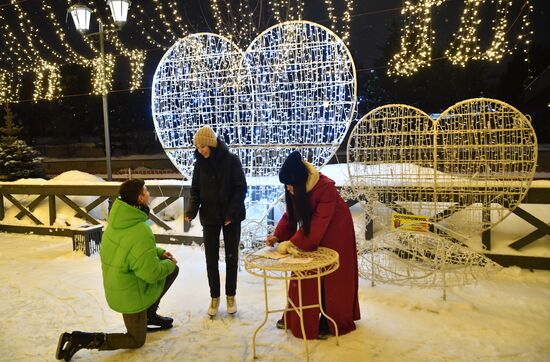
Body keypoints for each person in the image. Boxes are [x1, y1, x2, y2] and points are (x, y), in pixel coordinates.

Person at [55, 179, 179, 361]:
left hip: (118, 286)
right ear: (140, 198)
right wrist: (170, 263)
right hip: (131, 295)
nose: (149, 193)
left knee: (170, 270)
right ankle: (80, 339)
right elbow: (151, 274)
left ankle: (149, 317)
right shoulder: (139, 229)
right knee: (136, 340)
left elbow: (129, 251)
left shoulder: (118, 220)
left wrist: (159, 253)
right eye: (145, 190)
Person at [266, 151, 360, 340]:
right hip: (314, 231)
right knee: (303, 272)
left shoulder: (326, 188)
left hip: (337, 232)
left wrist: (292, 242)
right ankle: (297, 317)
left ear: (300, 182)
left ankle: (330, 320)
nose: (289, 189)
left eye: (291, 185)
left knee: (333, 277)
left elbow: (318, 223)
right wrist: (277, 236)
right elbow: (291, 215)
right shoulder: (295, 186)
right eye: (287, 186)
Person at [185, 126, 247, 317]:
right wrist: (191, 211)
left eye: (203, 145)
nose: (201, 150)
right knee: (211, 259)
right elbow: (195, 190)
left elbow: (241, 188)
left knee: (231, 258)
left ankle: (230, 295)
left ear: (211, 143)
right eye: (197, 147)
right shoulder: (199, 164)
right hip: (210, 216)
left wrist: (231, 212)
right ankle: (214, 296)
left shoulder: (231, 160)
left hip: (231, 217)